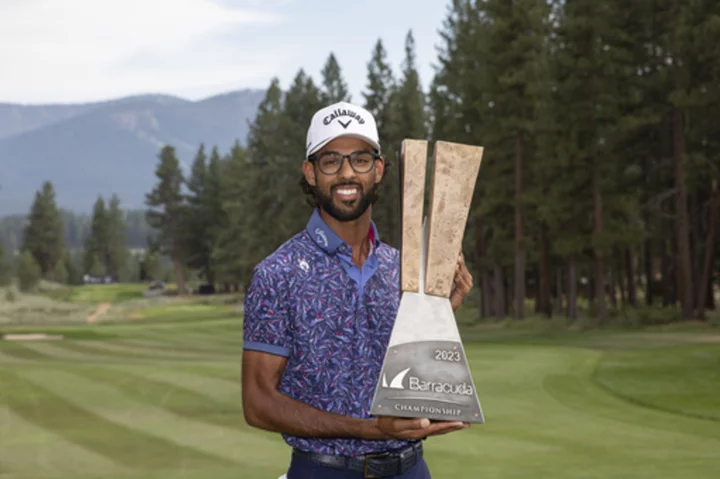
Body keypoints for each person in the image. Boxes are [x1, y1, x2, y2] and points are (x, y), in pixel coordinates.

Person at [241, 101, 475, 479]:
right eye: (331, 161)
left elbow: (410, 380)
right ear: (311, 172)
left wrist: (442, 312)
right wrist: (369, 429)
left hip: (411, 469)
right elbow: (257, 405)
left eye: (360, 159)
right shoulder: (277, 274)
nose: (346, 173)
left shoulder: (405, 268)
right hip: (323, 471)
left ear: (378, 169)